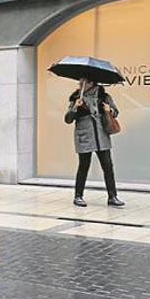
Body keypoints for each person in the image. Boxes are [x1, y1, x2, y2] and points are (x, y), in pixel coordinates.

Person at [64, 78, 125, 207]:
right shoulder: (76, 97)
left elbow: (116, 112)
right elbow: (68, 119)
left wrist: (109, 110)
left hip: (102, 135)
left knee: (108, 167)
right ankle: (78, 196)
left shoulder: (104, 96)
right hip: (84, 136)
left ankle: (112, 197)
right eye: (80, 83)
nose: (80, 85)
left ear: (91, 83)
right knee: (83, 167)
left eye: (83, 83)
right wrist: (75, 107)